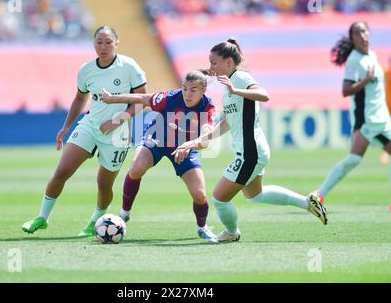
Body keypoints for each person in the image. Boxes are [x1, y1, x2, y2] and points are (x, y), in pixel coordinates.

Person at [172, 39, 327, 243]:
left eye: (214, 62)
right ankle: (308, 202)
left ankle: (231, 233)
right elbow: (226, 124)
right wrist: (195, 142)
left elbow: (264, 95)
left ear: (229, 62)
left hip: (250, 152)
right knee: (255, 195)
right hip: (250, 150)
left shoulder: (241, 78)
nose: (211, 67)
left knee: (219, 198)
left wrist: (236, 90)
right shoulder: (228, 87)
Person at [21, 26, 147, 236]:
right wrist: (66, 126)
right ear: (93, 43)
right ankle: (42, 218)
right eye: (99, 41)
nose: (103, 46)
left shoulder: (129, 66)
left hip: (118, 134)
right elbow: (80, 98)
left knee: (104, 184)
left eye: (108, 42)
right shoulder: (87, 70)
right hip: (90, 125)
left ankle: (95, 221)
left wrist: (118, 120)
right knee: (62, 172)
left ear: (117, 42)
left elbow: (143, 99)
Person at [101, 70, 218, 242]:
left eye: (193, 90)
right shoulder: (170, 97)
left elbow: (207, 138)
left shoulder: (208, 107)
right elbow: (142, 99)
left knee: (200, 194)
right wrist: (112, 99)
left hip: (185, 147)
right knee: (136, 168)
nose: (187, 94)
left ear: (203, 91)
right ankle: (124, 213)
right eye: (184, 88)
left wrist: (190, 144)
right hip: (157, 139)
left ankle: (202, 228)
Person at [309, 21, 391, 203]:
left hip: (382, 118)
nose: (362, 35)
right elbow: (345, 90)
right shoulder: (354, 60)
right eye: (357, 33)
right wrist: (365, 80)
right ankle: (318, 195)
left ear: (369, 33)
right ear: (353, 39)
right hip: (367, 120)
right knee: (354, 159)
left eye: (364, 31)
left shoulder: (372, 55)